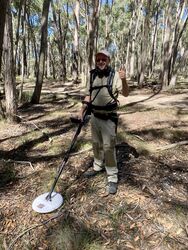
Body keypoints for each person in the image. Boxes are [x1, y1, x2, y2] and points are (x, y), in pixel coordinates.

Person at [79, 49, 129, 194]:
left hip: (108, 118)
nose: (101, 62)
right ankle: (97, 166)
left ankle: (112, 177)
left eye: (104, 59)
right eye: (98, 59)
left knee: (108, 147)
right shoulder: (92, 74)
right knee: (96, 144)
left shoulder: (115, 76)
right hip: (94, 117)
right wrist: (81, 112)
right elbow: (89, 95)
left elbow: (125, 93)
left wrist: (124, 79)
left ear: (108, 61)